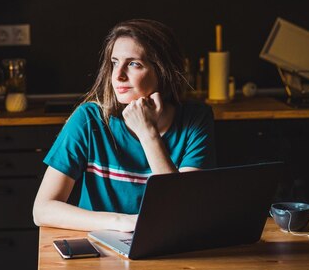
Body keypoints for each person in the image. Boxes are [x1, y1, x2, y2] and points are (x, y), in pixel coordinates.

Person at [32, 19, 216, 232]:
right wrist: (122, 222)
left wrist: (148, 133)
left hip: (169, 249)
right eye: (114, 62)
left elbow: (182, 211)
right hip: (98, 249)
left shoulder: (195, 119)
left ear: (163, 71)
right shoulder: (89, 119)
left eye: (133, 64)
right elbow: (42, 210)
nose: (118, 75)